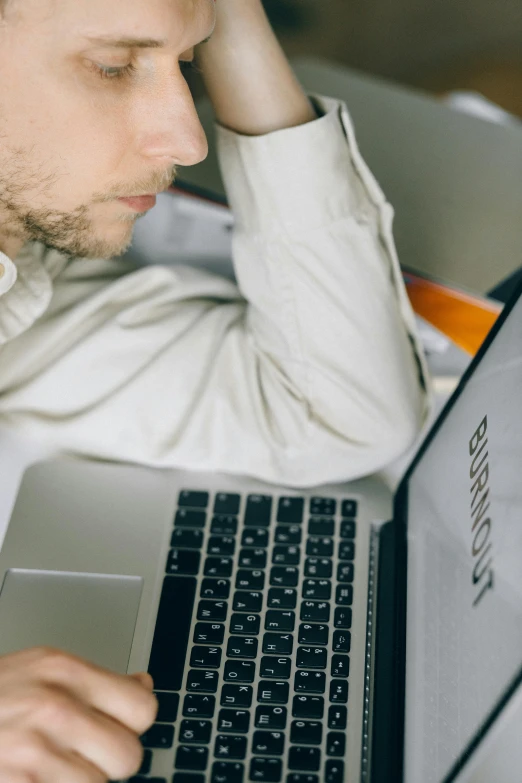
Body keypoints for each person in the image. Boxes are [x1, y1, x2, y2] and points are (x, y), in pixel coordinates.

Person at [0, 0, 431, 779]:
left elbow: (335, 413)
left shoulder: (21, 287)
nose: (188, 140)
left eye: (189, 62)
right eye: (113, 66)